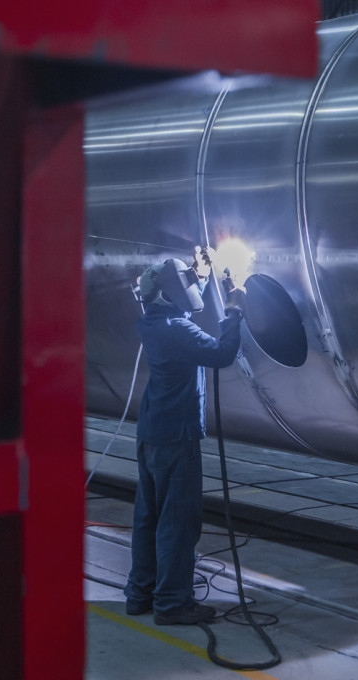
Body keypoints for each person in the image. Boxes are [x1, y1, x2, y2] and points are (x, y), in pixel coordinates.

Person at [124, 246, 245, 625]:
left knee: (149, 517)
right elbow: (223, 353)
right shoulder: (177, 330)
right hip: (176, 436)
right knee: (178, 521)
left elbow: (180, 297)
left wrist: (201, 273)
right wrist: (235, 309)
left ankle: (140, 594)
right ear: (170, 294)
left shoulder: (155, 322)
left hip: (151, 434)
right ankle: (173, 603)